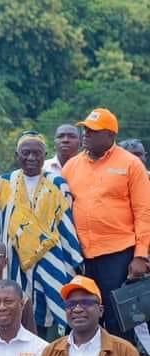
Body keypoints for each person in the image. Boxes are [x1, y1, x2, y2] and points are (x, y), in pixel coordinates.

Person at [60, 108, 150, 340]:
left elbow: (144, 212)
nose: (85, 134)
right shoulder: (71, 166)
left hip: (118, 254)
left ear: (110, 135)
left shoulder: (131, 164)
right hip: (80, 256)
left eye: (93, 131)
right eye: (85, 129)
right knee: (83, 316)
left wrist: (141, 255)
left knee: (119, 320)